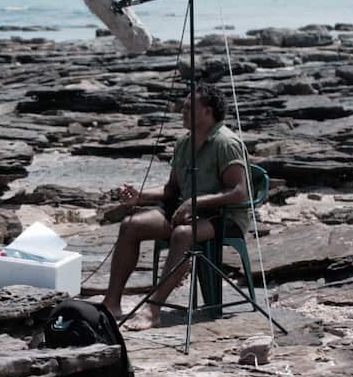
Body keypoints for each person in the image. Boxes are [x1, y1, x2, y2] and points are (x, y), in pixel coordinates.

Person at [102, 84, 252, 330]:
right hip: (184, 212)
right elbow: (171, 189)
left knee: (183, 234)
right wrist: (139, 196)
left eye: (189, 107)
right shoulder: (184, 143)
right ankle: (111, 304)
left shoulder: (226, 142)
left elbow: (238, 192)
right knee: (131, 225)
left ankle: (153, 310)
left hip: (224, 217)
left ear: (207, 112)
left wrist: (197, 202)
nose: (182, 111)